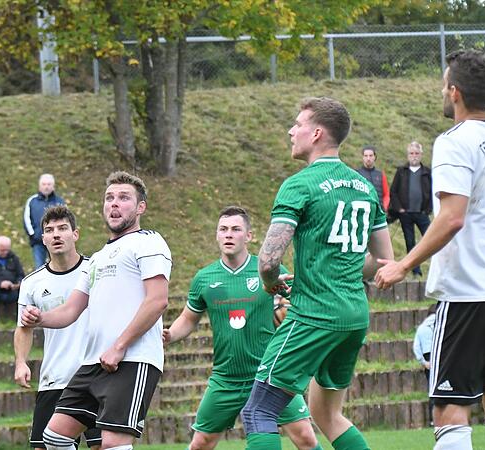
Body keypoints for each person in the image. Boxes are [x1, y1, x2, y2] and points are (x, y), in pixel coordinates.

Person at [376, 50, 485, 450]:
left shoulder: (453, 142)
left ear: (455, 92)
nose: (442, 92)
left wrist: (403, 264)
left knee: (449, 409)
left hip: (468, 293)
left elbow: (451, 218)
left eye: (444, 86)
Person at [241, 97, 394, 450]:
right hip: (354, 314)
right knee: (327, 415)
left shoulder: (300, 184)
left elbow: (267, 261)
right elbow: (384, 262)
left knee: (258, 412)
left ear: (317, 133)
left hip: (314, 313)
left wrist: (271, 284)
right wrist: (340, 267)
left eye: (298, 124)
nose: (291, 130)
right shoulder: (365, 187)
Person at [21, 171, 171, 450]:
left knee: (113, 444)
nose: (114, 204)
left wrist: (120, 346)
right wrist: (40, 318)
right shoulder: (98, 259)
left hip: (132, 359)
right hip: (93, 363)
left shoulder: (148, 242)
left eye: (124, 198)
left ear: (140, 207)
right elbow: (70, 311)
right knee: (54, 436)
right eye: (109, 198)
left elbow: (157, 300)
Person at [163, 206, 320, 450]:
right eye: (223, 229)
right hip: (226, 379)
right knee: (201, 443)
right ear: (216, 235)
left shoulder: (270, 271)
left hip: (271, 376)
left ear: (248, 236)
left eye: (236, 229)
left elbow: (296, 308)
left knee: (306, 438)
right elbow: (189, 318)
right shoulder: (204, 278)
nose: (228, 234)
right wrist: (170, 334)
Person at [15, 205, 101, 450]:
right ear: (42, 238)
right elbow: (23, 327)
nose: (56, 235)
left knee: (103, 446)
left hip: (95, 377)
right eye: (49, 230)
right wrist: (21, 362)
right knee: (43, 447)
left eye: (63, 228)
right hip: (54, 379)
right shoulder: (32, 283)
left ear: (75, 234)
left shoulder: (95, 271)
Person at [388, 141, 432, 277]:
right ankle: (416, 271)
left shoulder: (427, 172)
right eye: (411, 153)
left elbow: (432, 191)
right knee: (410, 241)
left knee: (430, 239)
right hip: (406, 213)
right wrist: (399, 209)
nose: (414, 156)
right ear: (408, 155)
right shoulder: (401, 171)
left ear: (421, 155)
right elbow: (393, 191)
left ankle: (436, 268)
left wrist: (428, 209)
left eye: (417, 153)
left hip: (422, 213)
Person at [24, 174, 66, 269]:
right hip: (38, 241)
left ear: (53, 186)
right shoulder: (32, 201)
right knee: (39, 266)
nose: (46, 186)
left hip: (55, 239)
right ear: (39, 186)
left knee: (58, 266)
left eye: (49, 184)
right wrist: (33, 234)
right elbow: (26, 219)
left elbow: (65, 220)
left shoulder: (60, 201)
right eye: (44, 184)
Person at [413, 304, 437, 425]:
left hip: (428, 357)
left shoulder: (422, 328)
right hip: (440, 356)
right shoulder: (440, 324)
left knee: (431, 389)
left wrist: (423, 362)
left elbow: (416, 346)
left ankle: (432, 419)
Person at [356, 145, 390, 211]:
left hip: (378, 212)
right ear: (363, 157)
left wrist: (385, 207)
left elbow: (386, 194)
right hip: (362, 212)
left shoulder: (381, 174)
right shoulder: (356, 174)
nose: (368, 158)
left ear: (375, 157)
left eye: (371, 155)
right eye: (366, 156)